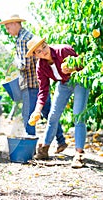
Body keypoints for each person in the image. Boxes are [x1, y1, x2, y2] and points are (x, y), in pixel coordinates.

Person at [0, 14, 67, 153]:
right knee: (48, 112)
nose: (7, 30)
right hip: (37, 82)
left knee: (29, 114)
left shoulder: (23, 39)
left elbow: (26, 63)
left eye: (8, 27)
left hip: (32, 83)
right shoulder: (22, 37)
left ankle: (29, 148)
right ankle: (61, 140)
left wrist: (13, 64)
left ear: (15, 23)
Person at [26, 36, 89, 168]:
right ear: (35, 55)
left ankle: (79, 154)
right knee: (53, 115)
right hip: (64, 84)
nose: (43, 51)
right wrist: (37, 111)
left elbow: (84, 66)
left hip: (79, 81)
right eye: (38, 51)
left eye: (43, 46)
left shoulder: (63, 51)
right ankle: (45, 148)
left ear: (46, 44)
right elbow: (43, 90)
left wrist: (72, 69)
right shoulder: (41, 66)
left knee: (78, 115)